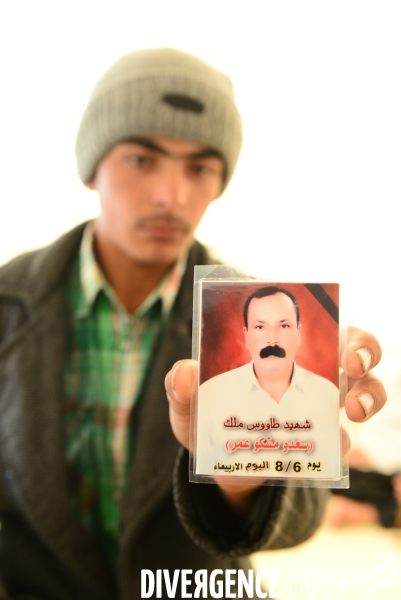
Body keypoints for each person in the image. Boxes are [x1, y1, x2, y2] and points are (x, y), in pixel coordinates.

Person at [0, 47, 386, 599]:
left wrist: (241, 477)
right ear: (92, 168)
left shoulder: (262, 317)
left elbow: (301, 514)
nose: (172, 196)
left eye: (200, 168)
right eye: (141, 159)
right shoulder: (8, 301)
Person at [195, 286, 341, 477]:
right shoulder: (211, 395)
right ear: (246, 336)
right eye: (260, 327)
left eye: (283, 326)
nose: (272, 340)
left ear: (298, 334)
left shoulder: (327, 395)